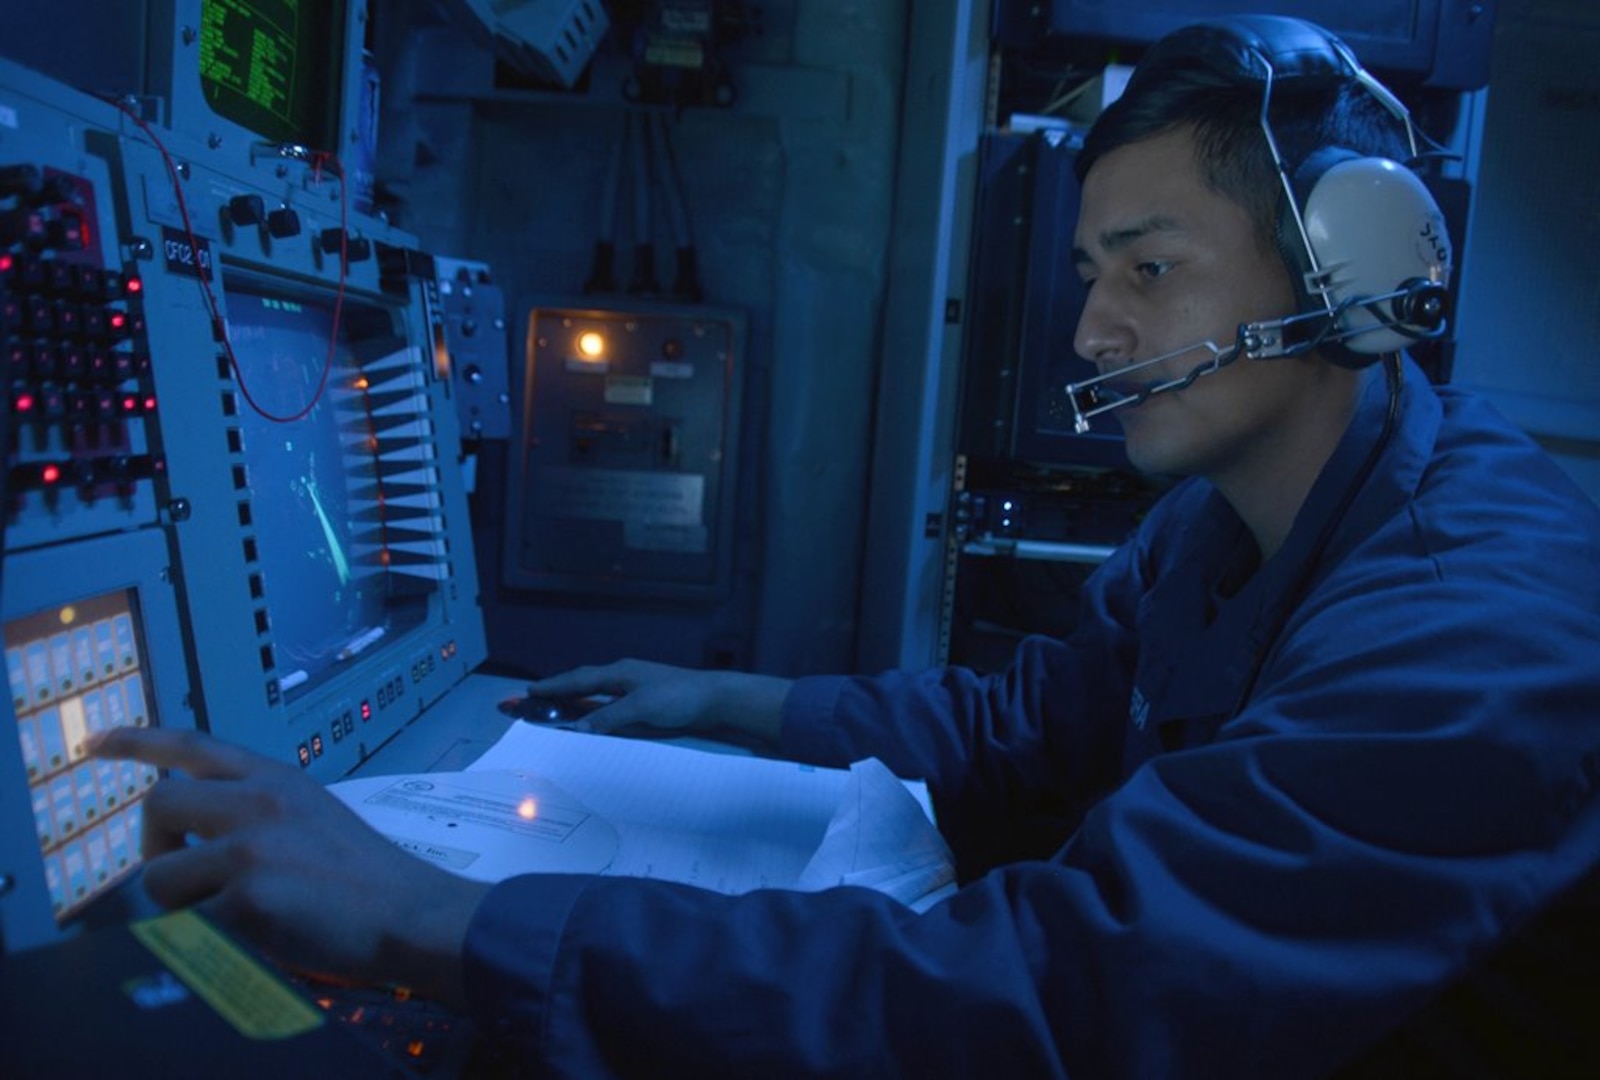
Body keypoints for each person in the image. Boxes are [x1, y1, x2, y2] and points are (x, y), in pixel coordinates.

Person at [94, 15, 1600, 1077]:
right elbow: (1025, 735)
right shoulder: (1209, 532)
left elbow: (1078, 1002)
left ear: (1358, 277)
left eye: (1149, 270)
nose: (1089, 328)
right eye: (1088, 272)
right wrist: (729, 702)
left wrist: (434, 915)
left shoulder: (1472, 626)